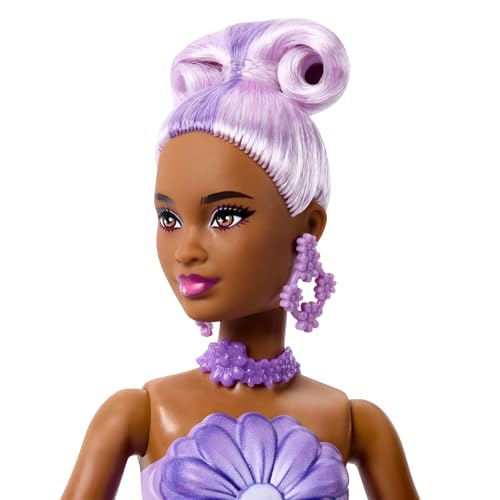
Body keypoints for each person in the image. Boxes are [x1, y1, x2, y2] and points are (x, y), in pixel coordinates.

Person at [62, 18, 419, 499]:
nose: (186, 250)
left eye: (225, 216)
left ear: (309, 226)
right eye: (169, 218)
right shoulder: (138, 415)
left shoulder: (356, 424)